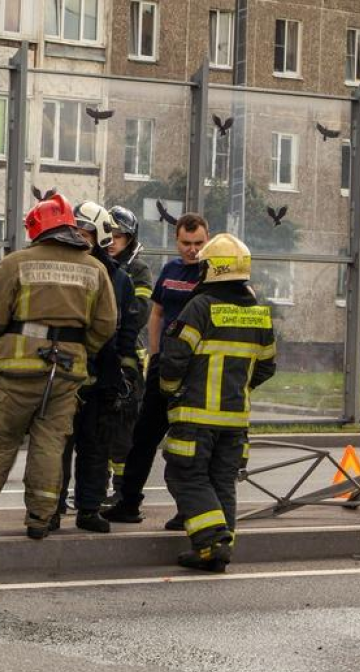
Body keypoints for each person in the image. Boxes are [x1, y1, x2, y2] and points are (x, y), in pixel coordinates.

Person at [0, 193, 117, 539]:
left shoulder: (16, 263)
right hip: (66, 374)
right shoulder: (96, 269)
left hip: (18, 370)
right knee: (50, 444)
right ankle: (40, 519)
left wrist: (13, 340)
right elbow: (106, 324)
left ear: (36, 229)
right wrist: (79, 347)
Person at [158, 233, 275, 571]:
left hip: (196, 415)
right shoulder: (259, 314)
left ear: (211, 269)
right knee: (222, 481)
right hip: (236, 421)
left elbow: (174, 357)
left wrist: (170, 389)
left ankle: (211, 543)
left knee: (186, 476)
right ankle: (222, 545)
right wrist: (238, 388)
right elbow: (267, 366)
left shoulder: (201, 306)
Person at [103, 214, 209, 528]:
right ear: (176, 241)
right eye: (186, 243)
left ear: (208, 240)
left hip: (194, 371)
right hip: (164, 365)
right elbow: (157, 312)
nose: (192, 250)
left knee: (186, 444)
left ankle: (187, 510)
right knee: (144, 436)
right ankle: (129, 503)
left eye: (198, 244)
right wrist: (156, 353)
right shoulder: (171, 270)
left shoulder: (212, 273)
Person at [56, 201, 140, 534]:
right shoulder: (61, 269)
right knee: (56, 446)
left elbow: (126, 332)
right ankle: (50, 508)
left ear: (100, 234)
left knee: (95, 447)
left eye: (85, 230)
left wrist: (122, 374)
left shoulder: (119, 278)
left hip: (100, 376)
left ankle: (89, 509)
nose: (78, 236)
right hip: (62, 373)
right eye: (74, 229)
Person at [103, 205, 153, 505]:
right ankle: (100, 486)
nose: (112, 242)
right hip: (99, 353)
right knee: (99, 429)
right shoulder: (96, 263)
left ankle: (122, 490)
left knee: (123, 428)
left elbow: (139, 313)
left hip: (127, 358)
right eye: (108, 236)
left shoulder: (137, 270)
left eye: (118, 237)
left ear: (130, 240)